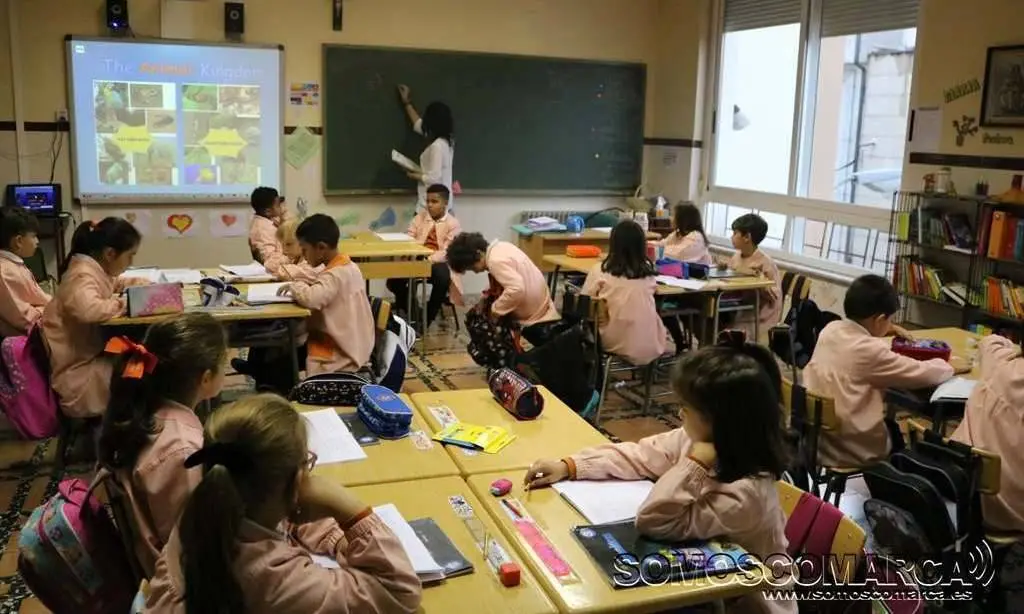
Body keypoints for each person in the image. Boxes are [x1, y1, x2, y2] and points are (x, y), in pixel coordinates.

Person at [525, 341, 794, 614]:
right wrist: (570, 466)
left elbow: (655, 521)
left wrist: (694, 465)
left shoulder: (746, 493)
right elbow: (639, 455)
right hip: (701, 586)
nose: (679, 413)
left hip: (747, 604)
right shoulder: (699, 440)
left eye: (686, 408)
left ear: (720, 422)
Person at [143, 394, 422, 614]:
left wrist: (337, 539)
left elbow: (280, 520)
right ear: (297, 481)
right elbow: (399, 592)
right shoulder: (274, 578)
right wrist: (349, 509)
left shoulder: (209, 505)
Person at [98, 313, 228, 577]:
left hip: (166, 562)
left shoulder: (146, 411)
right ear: (205, 378)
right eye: (224, 363)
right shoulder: (182, 449)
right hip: (182, 578)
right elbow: (194, 542)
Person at [804, 275, 963, 468]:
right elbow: (920, 372)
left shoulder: (830, 330)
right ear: (879, 319)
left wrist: (890, 328)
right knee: (901, 439)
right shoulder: (870, 351)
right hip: (853, 448)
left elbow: (862, 334)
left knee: (891, 425)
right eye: (890, 319)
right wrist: (948, 366)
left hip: (818, 440)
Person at [41, 218, 147, 418]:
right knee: (148, 366)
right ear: (110, 254)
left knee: (142, 357)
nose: (131, 262)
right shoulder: (82, 275)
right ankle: (134, 424)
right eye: (130, 256)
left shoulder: (92, 269)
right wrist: (127, 303)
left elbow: (112, 282)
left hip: (84, 361)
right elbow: (89, 309)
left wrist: (138, 283)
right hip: (78, 377)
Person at [278, 214, 375, 376]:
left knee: (280, 360)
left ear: (321, 248)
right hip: (353, 342)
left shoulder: (335, 274)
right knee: (284, 351)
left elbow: (312, 299)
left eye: (305, 249)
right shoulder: (349, 266)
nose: (303, 254)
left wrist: (295, 285)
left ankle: (273, 383)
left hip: (341, 351)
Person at [952, 334, 1024, 536]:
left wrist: (1012, 348)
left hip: (961, 488)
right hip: (1011, 512)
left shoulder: (1000, 362)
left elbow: (989, 341)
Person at [446, 232, 560, 346]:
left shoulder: (495, 261)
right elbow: (503, 281)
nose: (475, 272)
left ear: (479, 253)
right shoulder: (501, 247)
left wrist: (496, 310)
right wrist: (485, 297)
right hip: (543, 304)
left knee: (487, 325)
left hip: (534, 314)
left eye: (472, 267)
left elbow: (516, 289)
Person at [580, 220, 666, 365]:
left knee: (585, 316)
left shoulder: (600, 271)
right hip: (652, 343)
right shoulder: (649, 274)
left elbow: (584, 302)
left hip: (613, 341)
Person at [386, 184, 461, 327]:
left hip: (437, 262)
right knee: (394, 279)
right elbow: (409, 236)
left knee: (443, 277)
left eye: (434, 201)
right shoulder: (419, 218)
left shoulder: (453, 224)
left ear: (445, 203)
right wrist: (409, 250)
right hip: (416, 258)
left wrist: (429, 259)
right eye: (428, 201)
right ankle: (415, 313)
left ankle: (428, 317)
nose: (430, 205)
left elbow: (447, 251)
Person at [724, 213, 782, 341]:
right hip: (739, 307)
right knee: (712, 320)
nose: (731, 237)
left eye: (735, 233)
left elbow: (775, 296)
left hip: (758, 315)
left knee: (731, 334)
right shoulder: (737, 256)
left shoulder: (765, 263)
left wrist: (760, 280)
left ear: (747, 237)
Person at [397, 85, 454, 210]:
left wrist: (413, 175)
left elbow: (434, 178)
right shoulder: (447, 142)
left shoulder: (437, 146)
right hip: (442, 205)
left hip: (431, 209)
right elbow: (418, 124)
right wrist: (407, 103)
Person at [0, 206, 50, 337]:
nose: (37, 241)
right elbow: (25, 319)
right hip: (24, 339)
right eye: (34, 236)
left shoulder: (13, 266)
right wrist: (48, 310)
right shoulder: (5, 272)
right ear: (18, 241)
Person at [248, 186, 290, 274]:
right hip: (274, 271)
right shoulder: (262, 230)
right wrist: (292, 257)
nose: (282, 208)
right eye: (278, 205)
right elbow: (270, 262)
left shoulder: (268, 221)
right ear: (268, 211)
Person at [274, 218, 319, 282]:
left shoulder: (312, 260)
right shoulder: (294, 258)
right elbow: (269, 264)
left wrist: (283, 269)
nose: (284, 250)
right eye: (282, 245)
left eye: (289, 244)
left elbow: (288, 273)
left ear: (302, 241)